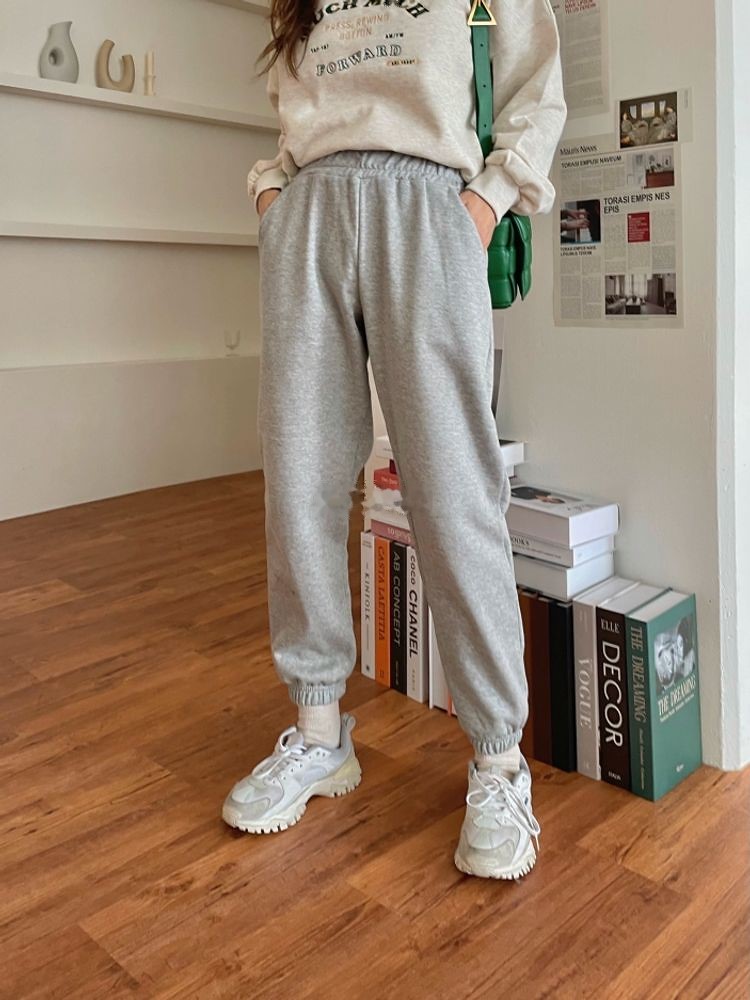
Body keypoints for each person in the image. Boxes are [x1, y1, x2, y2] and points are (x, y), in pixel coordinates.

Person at [222, 0, 567, 882]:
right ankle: (318, 732)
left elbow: (536, 90)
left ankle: (499, 761)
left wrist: (483, 204)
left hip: (429, 211)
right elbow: (294, 114)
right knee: (299, 481)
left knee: (454, 491)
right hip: (310, 216)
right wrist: (273, 197)